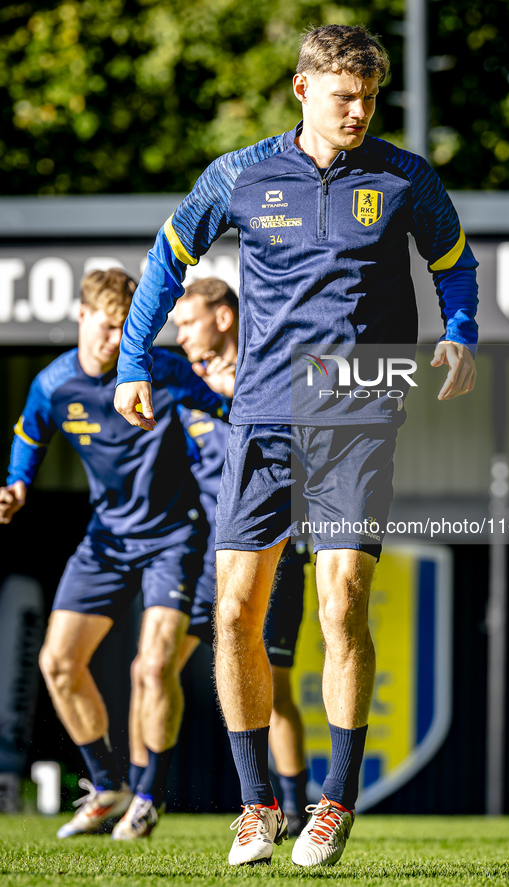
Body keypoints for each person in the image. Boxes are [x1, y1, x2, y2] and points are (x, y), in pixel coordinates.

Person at [114, 24, 478, 867]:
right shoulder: (237, 176)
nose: (358, 112)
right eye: (343, 96)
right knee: (235, 610)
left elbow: (454, 262)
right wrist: (135, 356)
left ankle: (335, 802)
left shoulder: (404, 178)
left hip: (357, 402)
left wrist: (458, 330)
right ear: (301, 89)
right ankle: (256, 805)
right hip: (265, 412)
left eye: (370, 98)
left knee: (341, 596)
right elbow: (167, 261)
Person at [0, 268, 232, 840]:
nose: (115, 341)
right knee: (57, 663)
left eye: (125, 330)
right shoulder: (54, 385)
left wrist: (237, 386)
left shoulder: (163, 370)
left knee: (153, 668)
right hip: (105, 540)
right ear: (81, 317)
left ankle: (148, 795)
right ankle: (109, 788)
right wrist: (17, 483)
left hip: (176, 538)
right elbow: (30, 435)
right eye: (106, 328)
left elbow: (229, 406)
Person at [127, 278, 310, 836]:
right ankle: (142, 797)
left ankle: (296, 809)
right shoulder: (180, 383)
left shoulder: (274, 370)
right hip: (208, 556)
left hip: (272, 552)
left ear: (224, 318)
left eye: (187, 322)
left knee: (274, 692)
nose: (178, 336)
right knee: (150, 668)